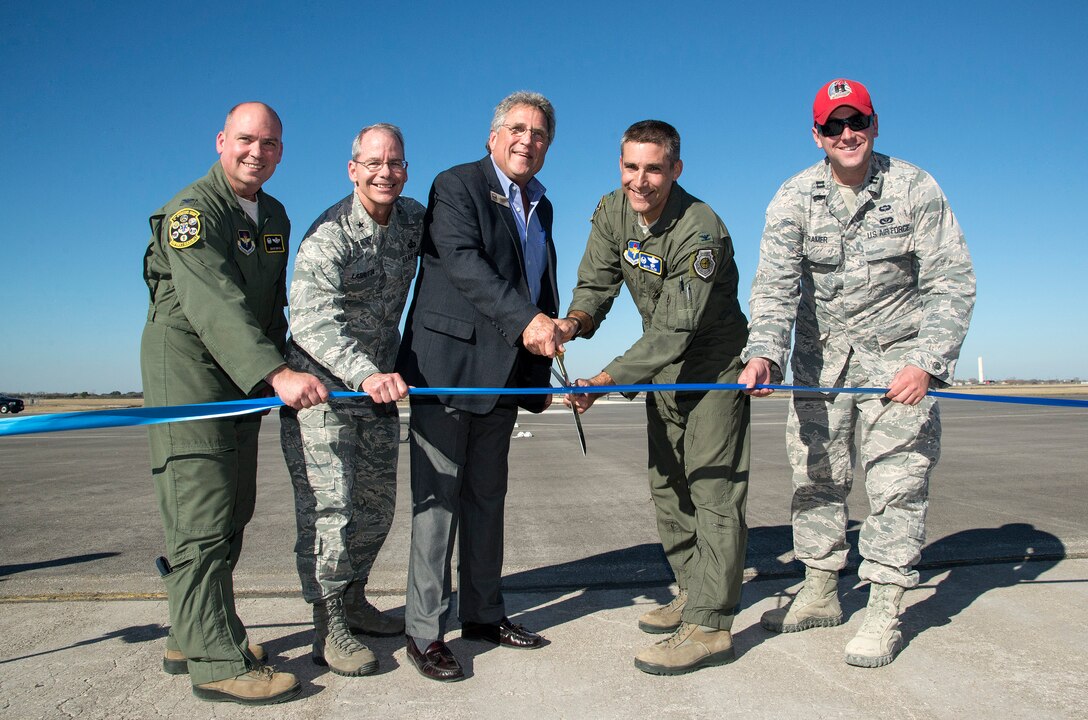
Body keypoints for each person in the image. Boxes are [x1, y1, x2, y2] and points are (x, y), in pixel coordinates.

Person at [739, 78, 975, 667]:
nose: (847, 135)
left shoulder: (914, 187)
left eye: (857, 122)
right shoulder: (793, 197)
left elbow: (951, 280)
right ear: (816, 135)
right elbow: (774, 288)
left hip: (898, 365)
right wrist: (763, 352)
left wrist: (927, 362)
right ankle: (820, 589)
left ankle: (885, 607)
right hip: (820, 367)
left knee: (897, 483)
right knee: (817, 478)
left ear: (874, 125)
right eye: (833, 126)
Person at [141, 102, 328, 705]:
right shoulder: (191, 212)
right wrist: (276, 373)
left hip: (241, 374)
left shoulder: (272, 213)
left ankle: (189, 631)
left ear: (281, 150)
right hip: (191, 369)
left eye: (269, 143)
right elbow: (214, 302)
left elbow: (271, 304)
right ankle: (216, 659)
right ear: (221, 140)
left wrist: (287, 363)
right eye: (246, 140)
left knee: (234, 505)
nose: (257, 152)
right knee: (203, 513)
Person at [558, 120, 751, 676]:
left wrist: (607, 379)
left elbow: (675, 327)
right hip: (661, 370)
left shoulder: (700, 228)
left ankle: (713, 625)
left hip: (710, 367)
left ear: (676, 169)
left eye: (654, 169)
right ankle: (694, 593)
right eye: (630, 167)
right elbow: (596, 285)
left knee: (713, 488)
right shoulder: (612, 210)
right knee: (668, 486)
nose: (639, 181)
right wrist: (571, 324)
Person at [396, 91, 563, 682]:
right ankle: (424, 631)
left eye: (540, 133)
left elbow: (541, 287)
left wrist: (539, 370)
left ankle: (485, 615)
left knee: (488, 499)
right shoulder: (457, 185)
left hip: (503, 381)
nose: (527, 140)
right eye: (517, 128)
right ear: (493, 136)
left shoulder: (542, 205)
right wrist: (530, 323)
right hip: (445, 373)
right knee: (437, 507)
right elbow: (465, 264)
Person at [279, 123, 423, 677]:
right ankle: (329, 621)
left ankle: (356, 598)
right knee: (329, 510)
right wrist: (365, 374)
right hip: (323, 391)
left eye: (395, 163)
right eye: (373, 163)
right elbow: (312, 322)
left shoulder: (411, 220)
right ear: (353, 169)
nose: (384, 172)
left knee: (375, 505)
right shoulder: (330, 235)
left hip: (378, 391)